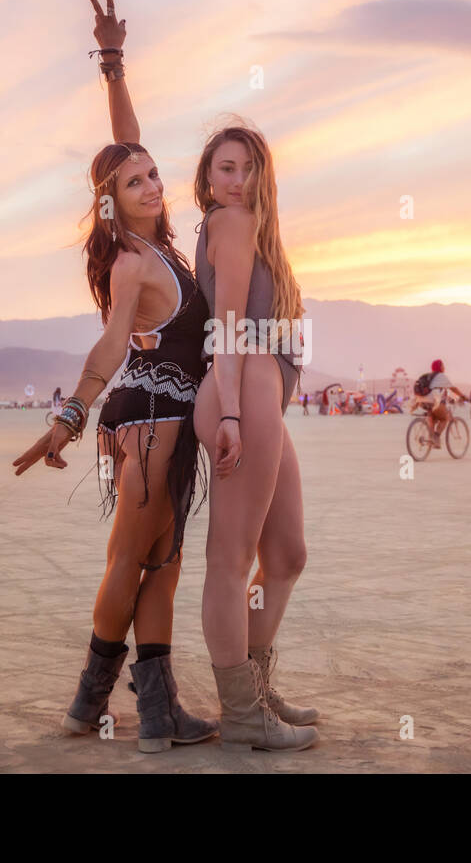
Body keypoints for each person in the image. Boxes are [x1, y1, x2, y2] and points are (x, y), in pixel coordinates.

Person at [12, 0, 217, 755]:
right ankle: (87, 701)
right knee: (132, 559)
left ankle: (160, 717)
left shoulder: (159, 245)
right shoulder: (133, 261)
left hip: (170, 422)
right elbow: (108, 347)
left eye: (156, 175)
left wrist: (112, 62)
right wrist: (66, 417)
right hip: (147, 421)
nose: (154, 184)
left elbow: (126, 142)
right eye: (136, 184)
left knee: (162, 563)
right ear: (112, 203)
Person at [193, 120, 318, 752]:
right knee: (231, 560)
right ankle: (242, 713)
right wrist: (234, 415)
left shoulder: (259, 232)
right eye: (224, 168)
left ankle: (258, 689)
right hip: (243, 387)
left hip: (260, 389)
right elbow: (230, 325)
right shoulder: (230, 224)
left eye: (247, 169)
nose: (237, 181)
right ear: (207, 178)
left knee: (287, 555)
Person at [414, 360, 467, 448]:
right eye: (443, 365)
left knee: (433, 416)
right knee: (444, 418)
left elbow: (440, 391)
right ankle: (436, 436)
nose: (444, 367)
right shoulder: (441, 376)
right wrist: (463, 396)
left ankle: (431, 437)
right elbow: (453, 388)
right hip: (433, 401)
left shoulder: (429, 376)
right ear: (440, 367)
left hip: (421, 401)